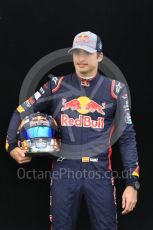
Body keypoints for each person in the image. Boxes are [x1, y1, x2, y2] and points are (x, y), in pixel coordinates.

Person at [6, 31, 140, 230]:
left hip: (99, 173)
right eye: (77, 52)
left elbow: (127, 137)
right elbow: (21, 111)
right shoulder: (56, 85)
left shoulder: (116, 89)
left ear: (99, 56)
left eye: (87, 53)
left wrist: (132, 184)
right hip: (64, 171)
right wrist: (11, 145)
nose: (81, 58)